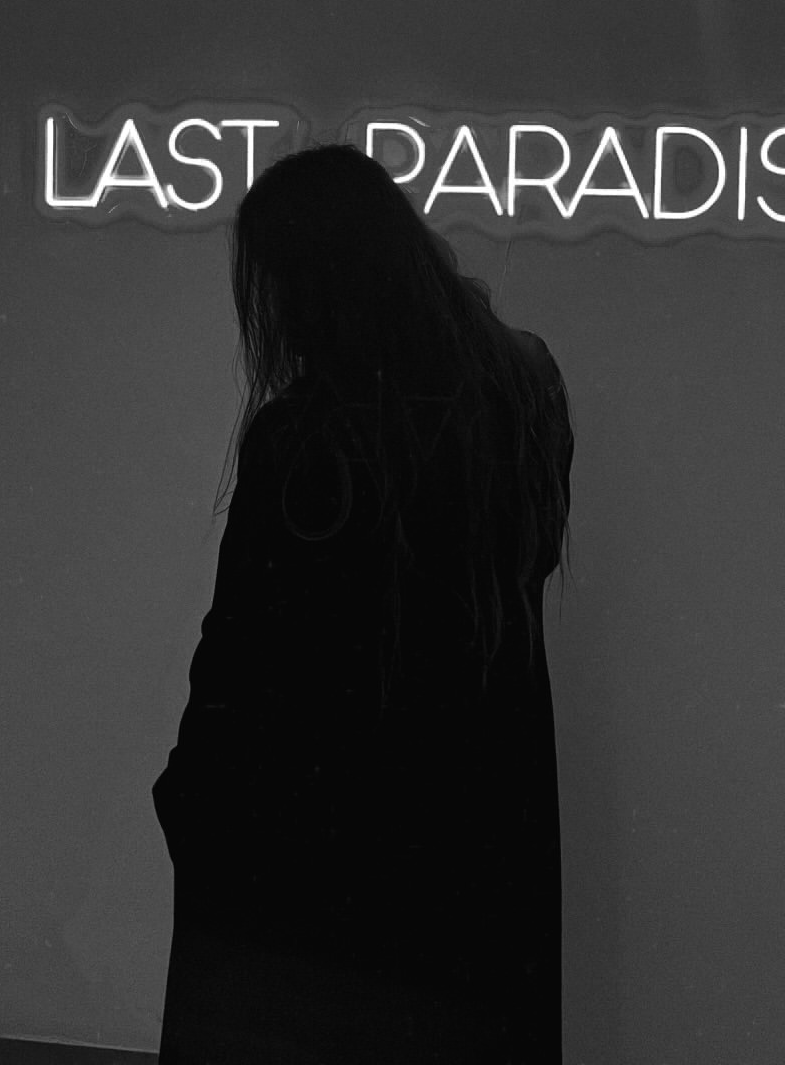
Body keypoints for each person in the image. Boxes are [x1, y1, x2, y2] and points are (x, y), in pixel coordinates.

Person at [152, 142, 574, 1064]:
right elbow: (530, 565)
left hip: (318, 829)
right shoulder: (523, 388)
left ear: (303, 283)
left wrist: (192, 793)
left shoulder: (306, 438)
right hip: (477, 812)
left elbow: (245, 650)